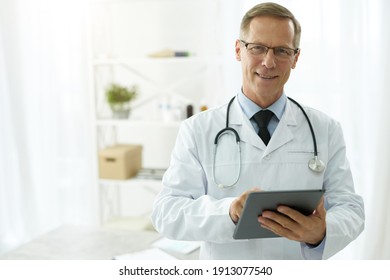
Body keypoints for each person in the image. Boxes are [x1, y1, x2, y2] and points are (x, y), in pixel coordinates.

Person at [151, 2, 364, 260]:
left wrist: (322, 231)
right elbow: (167, 212)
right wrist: (228, 211)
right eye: (258, 48)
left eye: (282, 51)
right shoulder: (198, 130)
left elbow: (350, 209)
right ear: (238, 49)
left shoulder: (325, 130)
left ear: (296, 58)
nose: (268, 61)